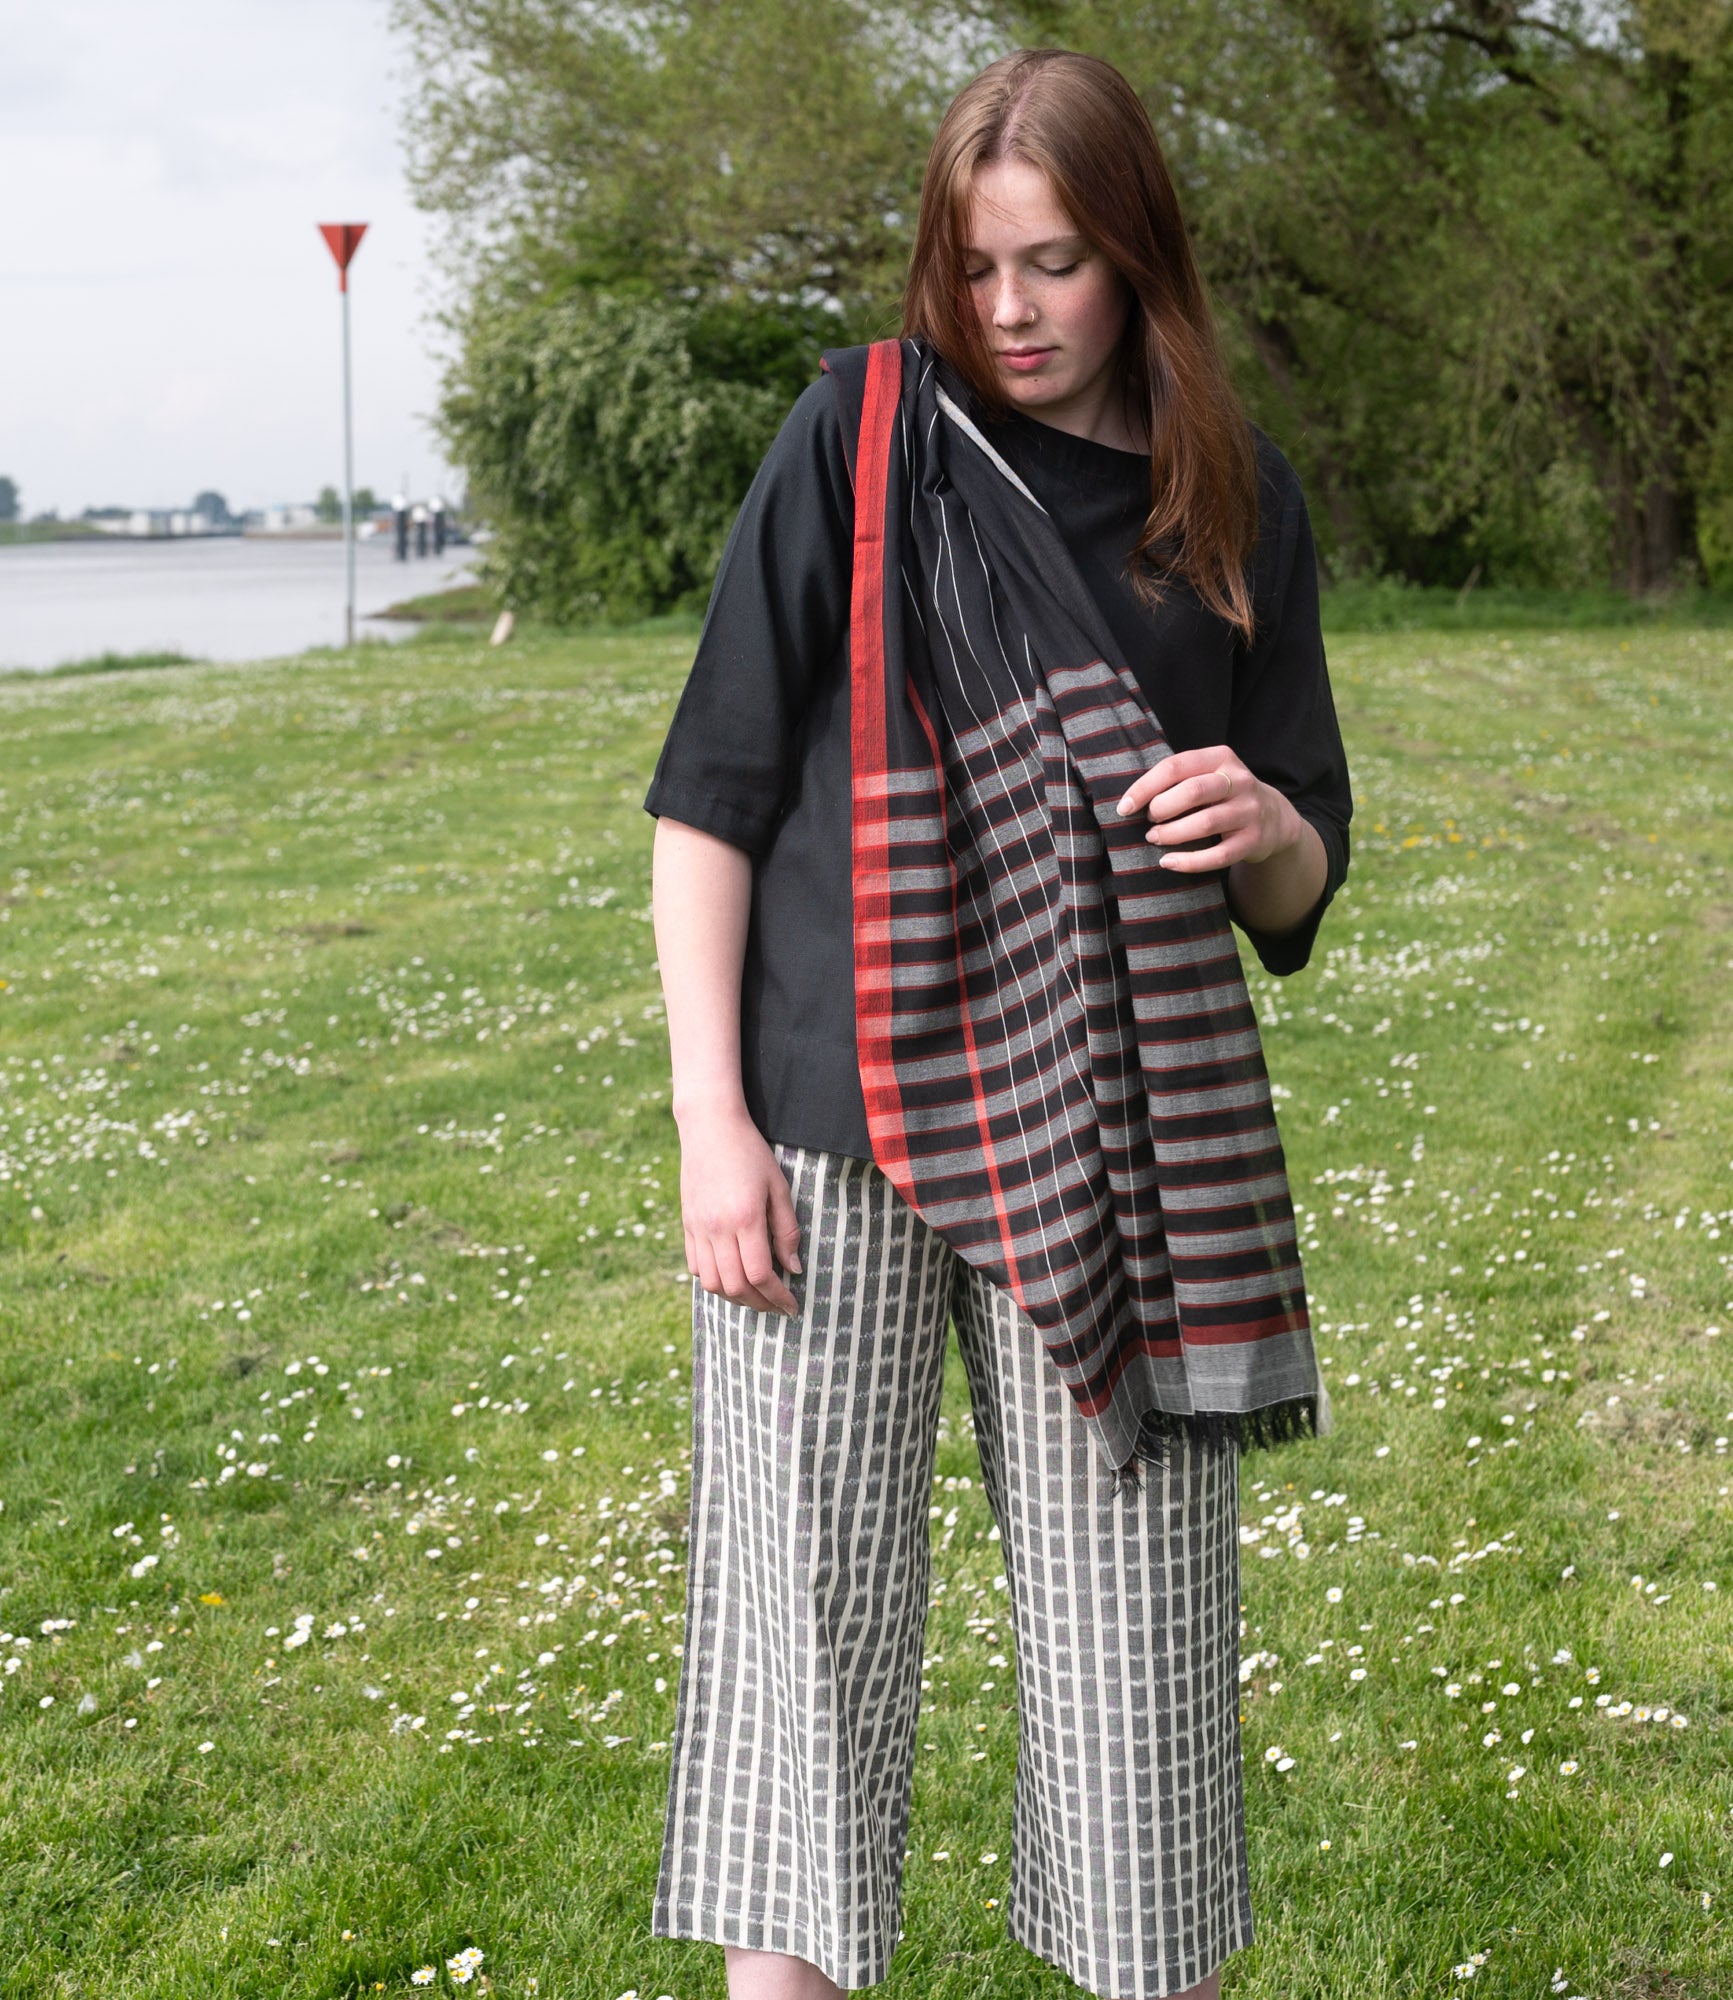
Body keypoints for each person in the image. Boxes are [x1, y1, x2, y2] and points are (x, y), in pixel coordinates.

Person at [643, 46, 1351, 2000]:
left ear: (1137, 256)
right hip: (826, 1125)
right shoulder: (860, 442)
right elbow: (709, 797)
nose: (1010, 311)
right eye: (975, 266)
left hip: (1112, 1151)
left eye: (1053, 264)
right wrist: (711, 1121)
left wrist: (1268, 825)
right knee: (807, 1670)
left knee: (1140, 1681)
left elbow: (1297, 876)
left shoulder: (1228, 493)